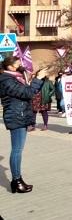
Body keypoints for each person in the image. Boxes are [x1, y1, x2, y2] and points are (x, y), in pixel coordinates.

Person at [0, 56, 48, 193]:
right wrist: (37, 79)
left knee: (17, 150)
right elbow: (27, 93)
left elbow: (31, 91)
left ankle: (17, 181)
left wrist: (40, 78)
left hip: (19, 116)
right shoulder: (6, 80)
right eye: (18, 63)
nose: (21, 65)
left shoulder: (15, 78)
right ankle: (17, 181)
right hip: (16, 117)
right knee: (17, 150)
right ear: (10, 67)